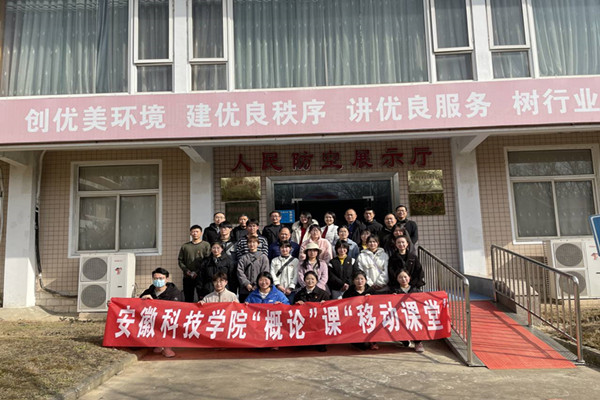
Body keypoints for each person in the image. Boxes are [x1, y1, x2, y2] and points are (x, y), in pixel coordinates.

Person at [139, 267, 181, 358]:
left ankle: (167, 347)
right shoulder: (149, 291)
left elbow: (177, 308)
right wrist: (143, 299)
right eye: (156, 278)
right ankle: (157, 344)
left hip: (167, 320)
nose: (158, 281)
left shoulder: (174, 292)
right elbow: (137, 304)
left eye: (161, 278)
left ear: (167, 279)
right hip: (153, 320)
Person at [390, 269, 425, 353]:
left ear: (409, 277)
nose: (403, 279)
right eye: (400, 277)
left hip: (413, 315)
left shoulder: (416, 290)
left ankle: (418, 342)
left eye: (405, 277)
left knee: (416, 324)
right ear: (397, 279)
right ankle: (404, 339)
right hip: (400, 316)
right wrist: (392, 297)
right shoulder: (394, 291)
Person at [342, 270, 377, 350]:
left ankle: (373, 342)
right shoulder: (348, 293)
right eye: (357, 279)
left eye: (362, 279)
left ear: (366, 280)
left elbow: (377, 305)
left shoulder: (371, 291)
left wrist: (371, 299)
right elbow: (344, 306)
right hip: (354, 320)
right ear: (353, 281)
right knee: (363, 346)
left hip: (368, 319)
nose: (360, 281)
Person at [177, 225, 211, 302]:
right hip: (187, 276)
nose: (195, 233)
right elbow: (180, 260)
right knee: (188, 297)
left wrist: (197, 272)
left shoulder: (206, 245)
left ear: (201, 233)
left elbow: (207, 260)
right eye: (193, 232)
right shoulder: (185, 246)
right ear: (190, 233)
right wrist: (186, 271)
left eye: (197, 231)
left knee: (202, 297)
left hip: (201, 276)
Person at [237, 235, 270, 302]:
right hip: (245, 289)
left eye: (254, 242)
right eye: (250, 242)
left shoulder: (263, 257)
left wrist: (257, 284)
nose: (252, 244)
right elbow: (240, 271)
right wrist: (246, 283)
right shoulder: (243, 258)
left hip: (259, 288)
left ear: (258, 244)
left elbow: (265, 272)